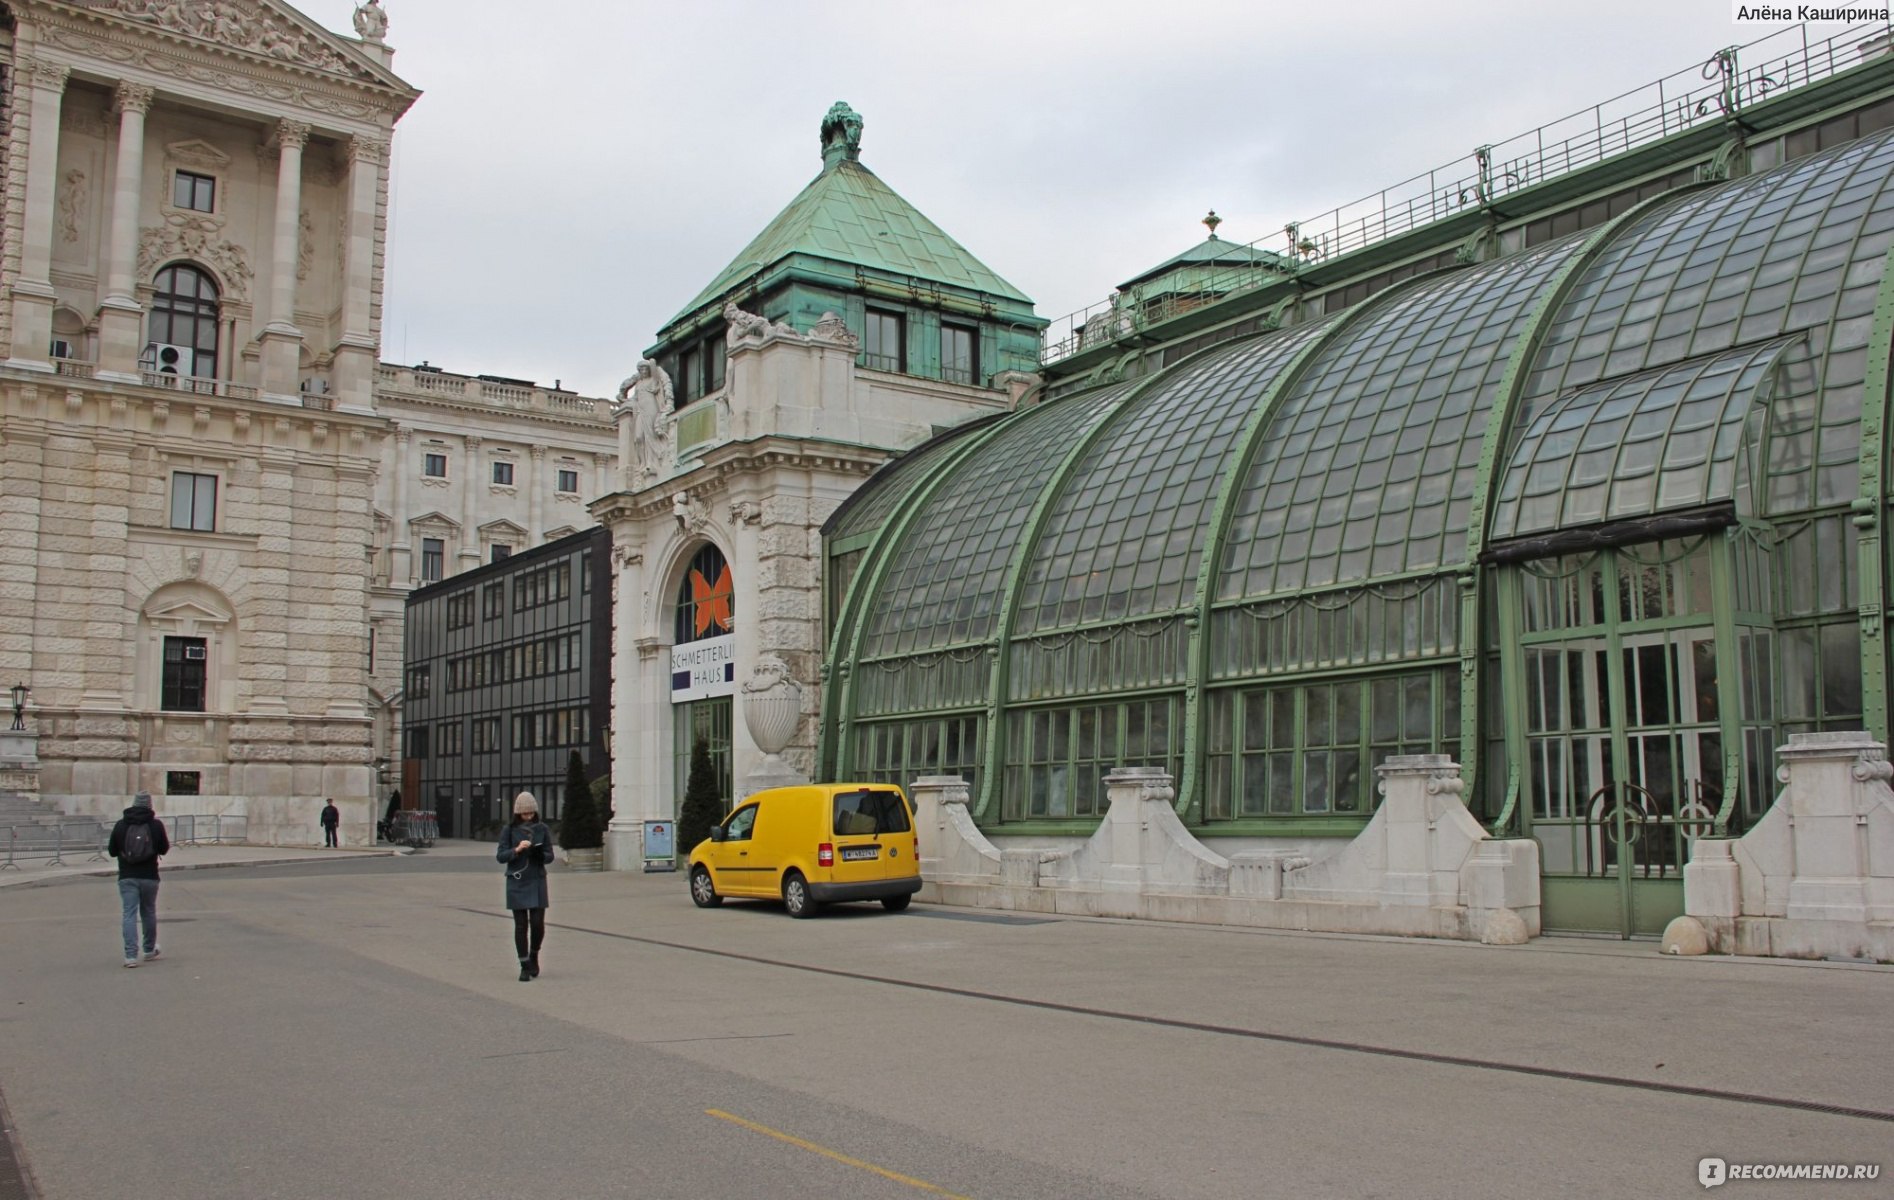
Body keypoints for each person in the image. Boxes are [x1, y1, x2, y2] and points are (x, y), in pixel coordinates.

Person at [108, 792, 170, 968]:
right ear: (150, 806)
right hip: (149, 875)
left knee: (129, 914)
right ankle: (149, 950)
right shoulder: (155, 825)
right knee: (148, 911)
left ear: (133, 804)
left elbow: (112, 850)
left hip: (127, 875)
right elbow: (164, 849)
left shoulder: (121, 825)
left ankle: (130, 956)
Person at [497, 792, 553, 982]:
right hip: (517, 879)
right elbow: (500, 856)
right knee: (521, 925)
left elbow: (550, 855)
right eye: (524, 814)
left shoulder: (542, 828)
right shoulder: (509, 830)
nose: (528, 817)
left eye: (531, 813)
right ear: (518, 814)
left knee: (537, 923)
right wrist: (517, 849)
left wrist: (539, 855)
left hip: (536, 878)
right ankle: (524, 965)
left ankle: (534, 953)